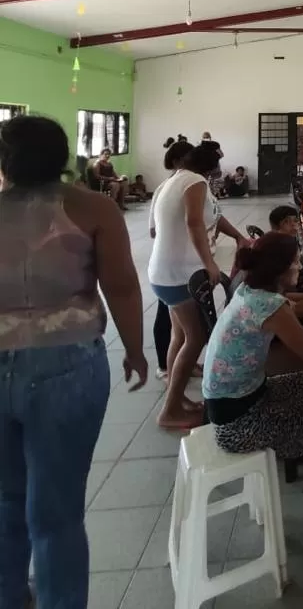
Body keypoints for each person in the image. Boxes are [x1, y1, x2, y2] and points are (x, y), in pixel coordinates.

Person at [0, 115, 146, 609]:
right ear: (63, 156)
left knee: (4, 501)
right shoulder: (92, 207)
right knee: (57, 509)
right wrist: (134, 348)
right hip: (67, 366)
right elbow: (121, 285)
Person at [148, 143, 247, 429]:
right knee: (197, 336)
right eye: (218, 163)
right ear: (209, 165)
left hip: (166, 271)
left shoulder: (178, 179)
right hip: (179, 273)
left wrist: (239, 237)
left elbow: (212, 217)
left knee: (180, 337)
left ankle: (176, 398)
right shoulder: (195, 181)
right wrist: (209, 263)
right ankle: (170, 411)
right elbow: (193, 223)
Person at [203, 234, 303, 458]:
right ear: (280, 269)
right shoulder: (271, 307)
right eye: (295, 261)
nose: (299, 266)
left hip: (232, 405)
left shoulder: (248, 290)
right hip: (238, 426)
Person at [150, 138, 193, 380]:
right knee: (167, 316)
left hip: (187, 266)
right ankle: (165, 367)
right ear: (177, 161)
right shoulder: (167, 188)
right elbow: (154, 230)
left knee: (186, 325)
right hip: (173, 266)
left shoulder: (192, 184)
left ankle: (186, 364)